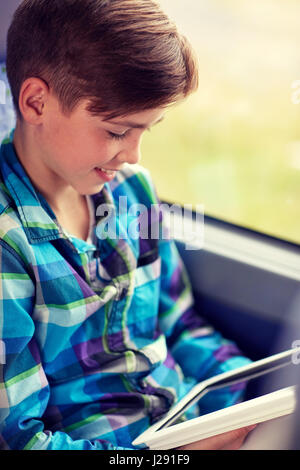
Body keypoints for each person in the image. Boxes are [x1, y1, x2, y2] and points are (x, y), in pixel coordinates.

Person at [0, 0, 253, 450]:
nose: (134, 155)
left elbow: (178, 321)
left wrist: (246, 394)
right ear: (37, 102)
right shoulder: (9, 244)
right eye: (117, 131)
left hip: (185, 417)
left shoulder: (132, 190)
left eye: (146, 131)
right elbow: (23, 440)